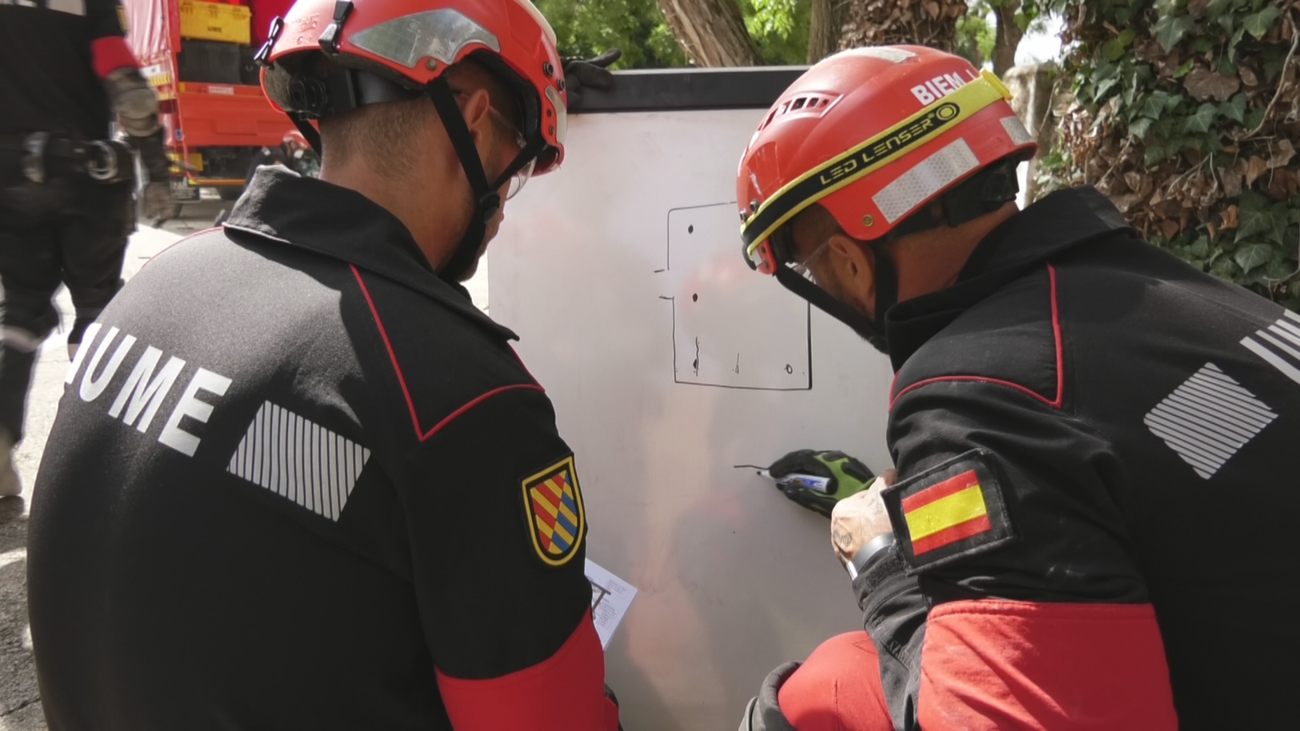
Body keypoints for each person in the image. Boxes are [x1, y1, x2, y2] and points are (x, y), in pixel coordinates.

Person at [27, 0, 622, 728]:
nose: (503, 206)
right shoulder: (461, 396)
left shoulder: (156, 287)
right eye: (516, 160)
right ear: (473, 121)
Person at [735, 45, 1298, 730]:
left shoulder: (976, 392)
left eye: (812, 268)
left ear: (852, 262)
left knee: (812, 697)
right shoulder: (1192, 306)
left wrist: (880, 563)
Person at [0, 0, 169, 496]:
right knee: (98, 309)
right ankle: (97, 458)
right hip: (85, 176)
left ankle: (0, 450)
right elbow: (127, 88)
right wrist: (157, 171)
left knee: (21, 311)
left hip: (9, 180)